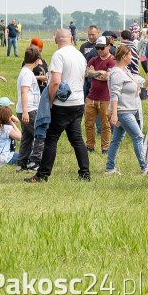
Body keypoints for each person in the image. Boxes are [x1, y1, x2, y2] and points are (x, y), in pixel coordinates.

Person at [26, 29, 90, 184]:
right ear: (72, 38)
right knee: (77, 139)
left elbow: (55, 81)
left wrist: (50, 101)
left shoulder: (59, 55)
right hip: (78, 102)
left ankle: (42, 175)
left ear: (56, 40)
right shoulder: (79, 55)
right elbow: (83, 79)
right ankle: (85, 173)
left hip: (62, 104)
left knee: (51, 139)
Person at [105, 44, 148, 177]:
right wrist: (114, 115)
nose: (132, 57)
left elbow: (135, 82)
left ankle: (109, 168)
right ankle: (144, 167)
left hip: (128, 110)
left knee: (116, 140)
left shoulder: (125, 71)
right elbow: (114, 95)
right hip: (123, 112)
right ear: (124, 57)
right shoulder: (117, 73)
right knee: (138, 136)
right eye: (130, 55)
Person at [15, 47, 44, 171]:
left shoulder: (26, 71)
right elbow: (24, 92)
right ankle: (35, 163)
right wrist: (26, 112)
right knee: (40, 135)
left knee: (27, 137)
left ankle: (21, 163)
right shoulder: (27, 73)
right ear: (37, 60)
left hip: (25, 110)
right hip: (29, 110)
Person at [84, 38, 114, 153]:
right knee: (88, 124)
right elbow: (87, 73)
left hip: (105, 98)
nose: (99, 50)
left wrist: (94, 73)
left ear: (108, 47)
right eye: (97, 48)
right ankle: (90, 147)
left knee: (105, 125)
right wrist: (101, 73)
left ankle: (105, 148)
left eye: (102, 47)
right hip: (91, 97)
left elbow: (107, 77)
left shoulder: (112, 61)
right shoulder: (92, 59)